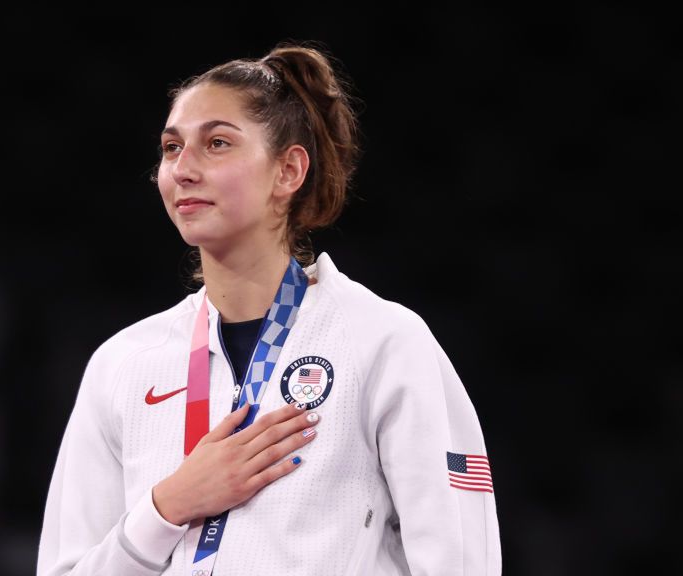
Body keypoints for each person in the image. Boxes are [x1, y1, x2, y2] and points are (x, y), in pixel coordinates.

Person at [37, 41, 501, 576]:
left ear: (288, 171)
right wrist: (166, 508)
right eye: (170, 148)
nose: (183, 168)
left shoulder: (382, 342)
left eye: (216, 143)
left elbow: (459, 562)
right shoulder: (123, 365)